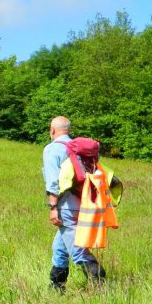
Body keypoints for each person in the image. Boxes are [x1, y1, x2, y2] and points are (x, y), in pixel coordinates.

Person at [43, 116, 115, 291]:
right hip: (84, 204)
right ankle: (57, 285)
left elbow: (53, 182)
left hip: (66, 207)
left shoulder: (52, 149)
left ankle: (100, 282)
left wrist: (53, 208)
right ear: (68, 130)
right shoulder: (78, 148)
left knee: (77, 250)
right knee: (59, 246)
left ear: (52, 130)